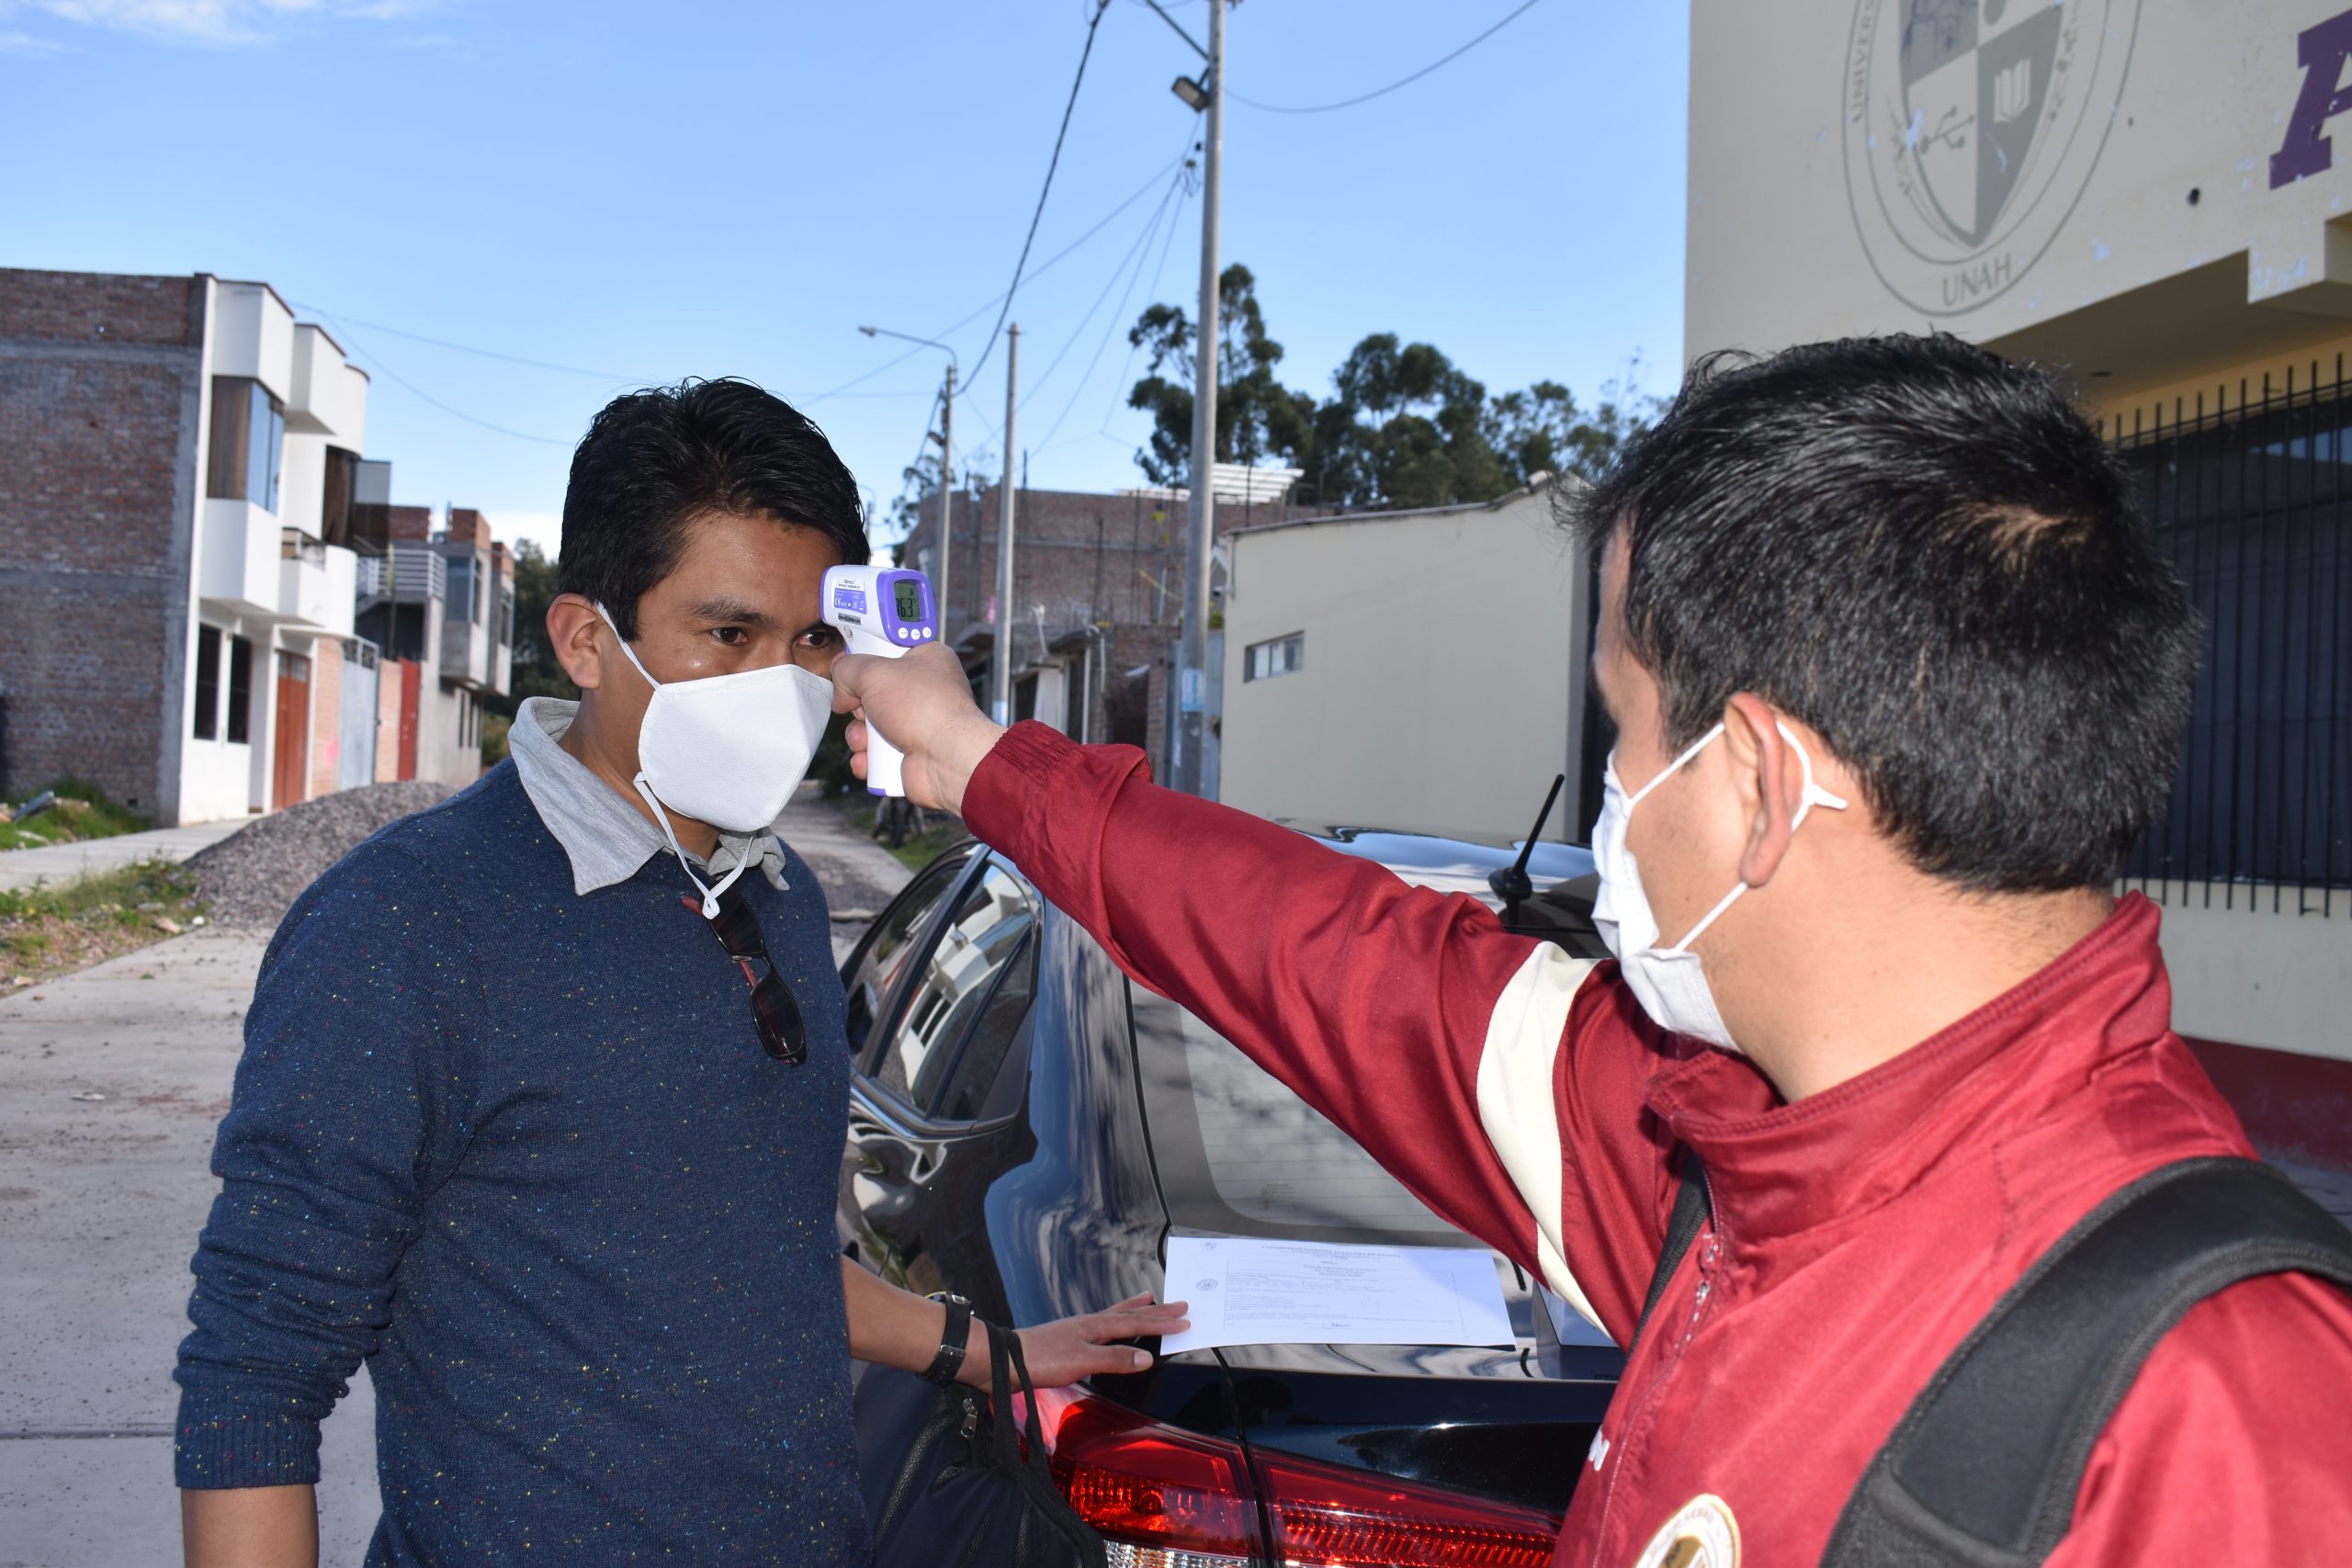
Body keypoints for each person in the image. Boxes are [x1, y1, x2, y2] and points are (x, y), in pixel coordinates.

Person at [831, 337, 2352, 1564]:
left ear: (1756, 785)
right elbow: (1341, 961)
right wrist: (979, 761)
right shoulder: (1730, 1164)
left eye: (1620, 727)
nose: (1615, 796)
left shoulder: (2222, 1411)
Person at [174, 378, 1183, 1567]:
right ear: (587, 639)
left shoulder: (782, 896)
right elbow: (253, 1380)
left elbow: (742, 1255)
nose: (785, 682)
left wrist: (995, 1350)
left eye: (810, 640)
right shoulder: (407, 924)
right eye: (728, 635)